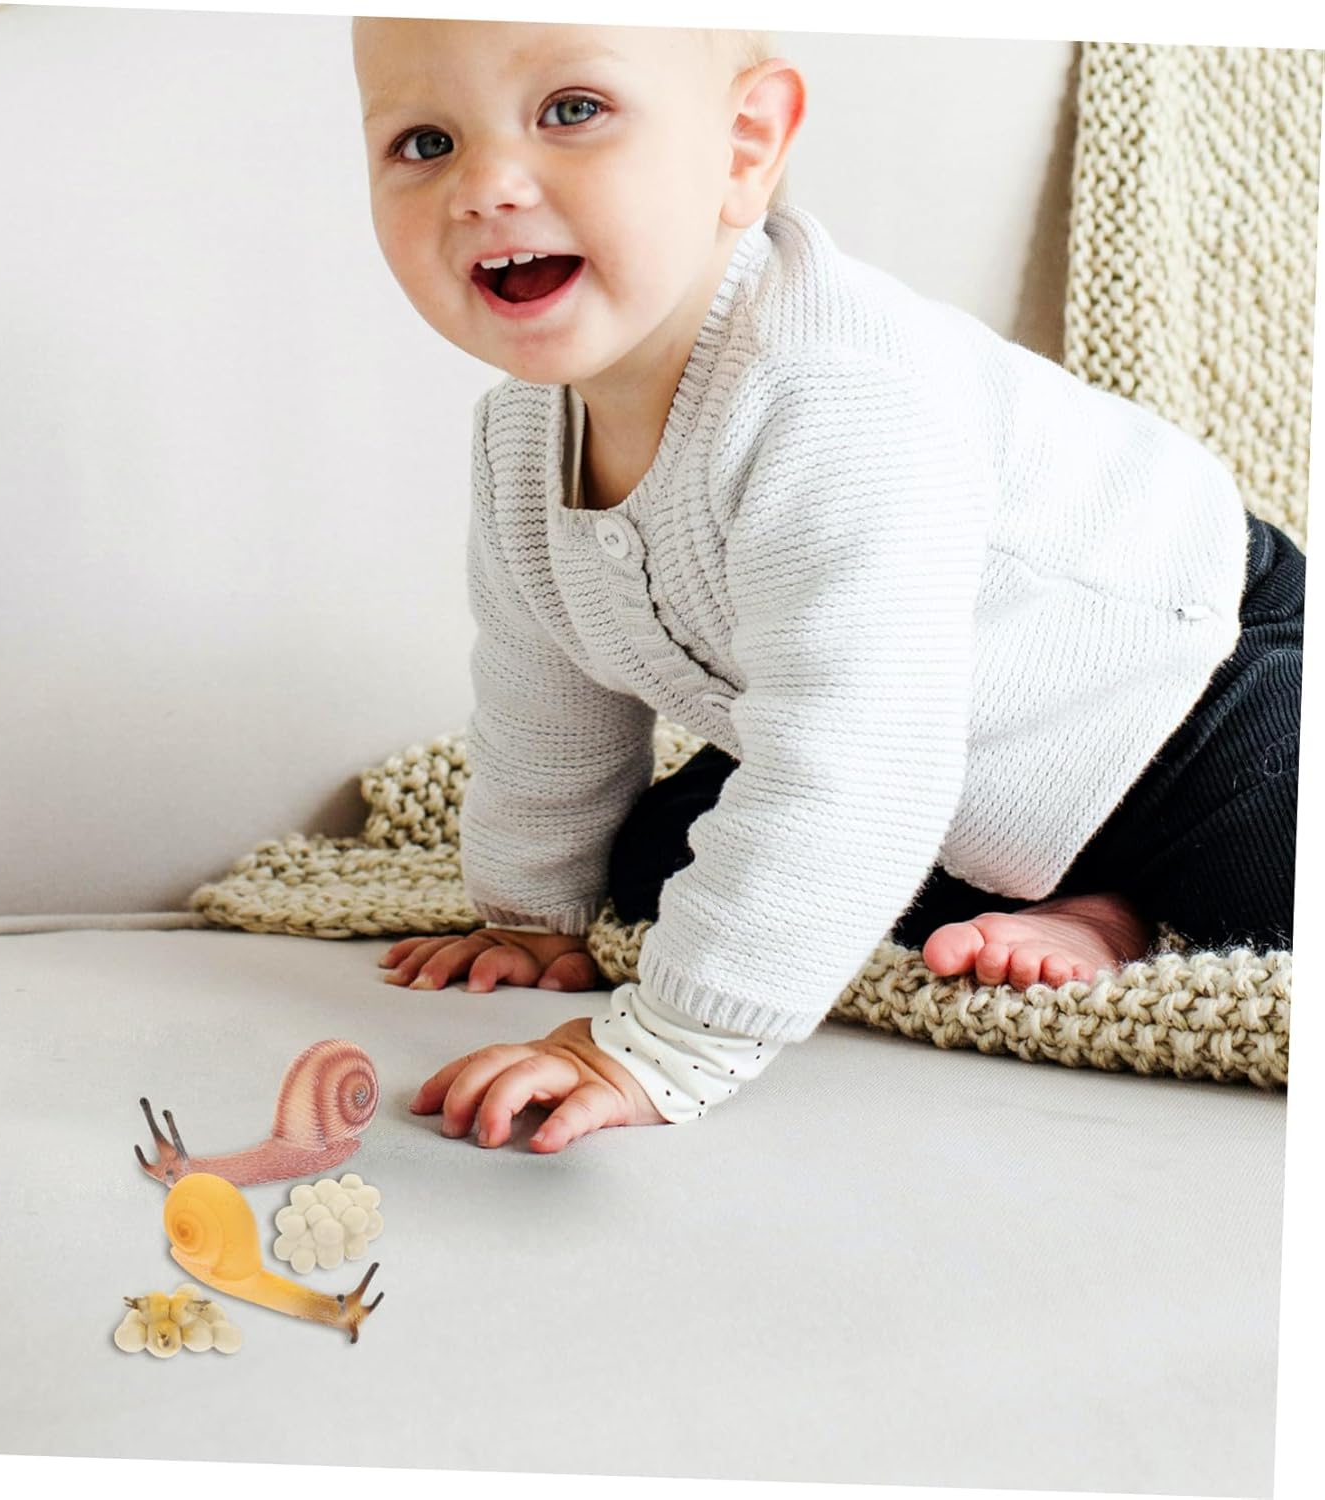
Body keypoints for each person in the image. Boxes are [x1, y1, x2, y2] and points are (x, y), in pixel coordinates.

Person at [350, 19, 1304, 1153]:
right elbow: (540, 690)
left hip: (1196, 684)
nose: (487, 188)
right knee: (662, 864)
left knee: (1276, 872)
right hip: (956, 760)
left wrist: (664, 1043)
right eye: (425, 142)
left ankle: (1132, 901)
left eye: (572, 112)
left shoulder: (830, 392)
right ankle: (1078, 898)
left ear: (745, 144)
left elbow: (861, 757)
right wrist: (532, 913)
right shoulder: (520, 439)